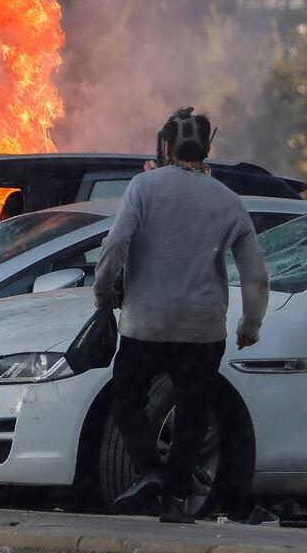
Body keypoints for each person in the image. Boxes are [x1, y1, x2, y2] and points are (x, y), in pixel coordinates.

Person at [93, 108, 269, 524]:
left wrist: (104, 294)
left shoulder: (143, 187)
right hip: (203, 328)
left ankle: (150, 469)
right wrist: (250, 325)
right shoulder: (228, 200)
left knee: (127, 401)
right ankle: (173, 501)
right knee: (192, 413)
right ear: (208, 148)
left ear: (165, 146)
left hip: (145, 324)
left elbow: (115, 245)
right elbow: (255, 275)